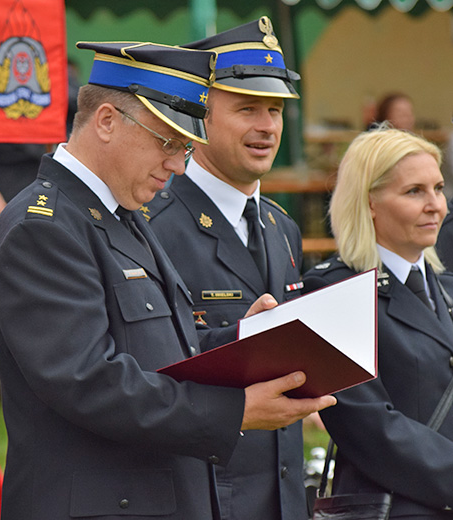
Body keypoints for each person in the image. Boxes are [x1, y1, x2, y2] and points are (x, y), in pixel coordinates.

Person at [0, 40, 335, 519]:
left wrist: (244, 340)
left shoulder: (118, 214)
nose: (177, 163)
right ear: (106, 121)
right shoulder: (43, 227)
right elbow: (90, 381)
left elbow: (159, 350)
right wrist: (234, 412)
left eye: (185, 147)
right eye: (166, 141)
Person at [145, 17, 308, 520]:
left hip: (282, 498)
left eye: (276, 110)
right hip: (202, 496)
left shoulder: (283, 228)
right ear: (202, 116)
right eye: (248, 109)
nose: (267, 126)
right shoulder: (153, 224)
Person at [303, 126, 453, 518]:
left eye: (438, 188)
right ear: (369, 201)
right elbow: (370, 429)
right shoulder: (332, 292)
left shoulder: (447, 290)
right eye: (414, 192)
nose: (436, 205)